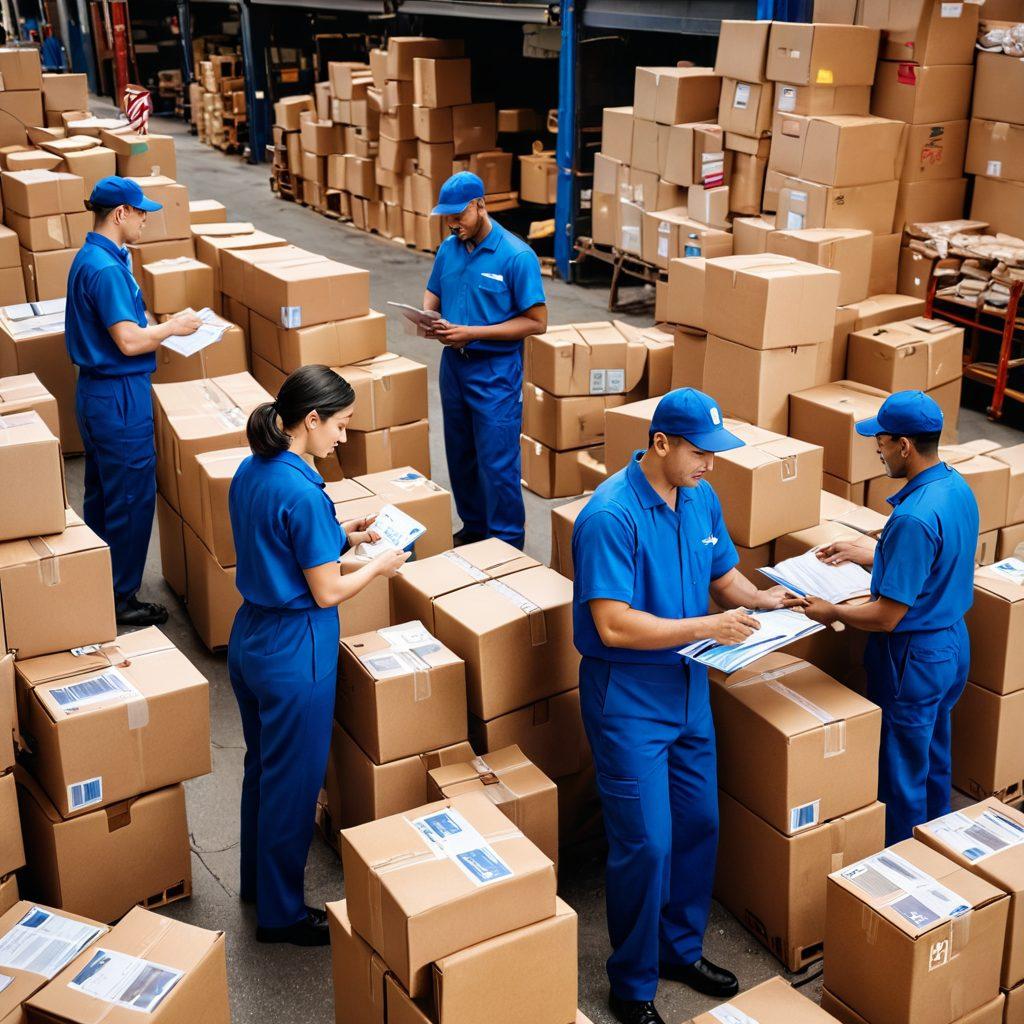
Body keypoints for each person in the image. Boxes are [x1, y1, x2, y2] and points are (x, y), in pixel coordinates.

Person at [572, 389, 803, 1024]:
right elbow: (614, 625)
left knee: (698, 824)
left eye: (716, 454)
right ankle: (633, 983)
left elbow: (722, 574)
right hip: (629, 697)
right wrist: (709, 628)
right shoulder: (610, 516)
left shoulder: (700, 495)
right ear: (661, 444)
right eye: (701, 453)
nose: (711, 465)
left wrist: (766, 600)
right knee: (646, 844)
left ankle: (678, 950)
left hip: (689, 686)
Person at [228, 365, 409, 946]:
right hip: (295, 650)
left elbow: (281, 546)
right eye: (342, 425)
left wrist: (345, 536)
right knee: (295, 785)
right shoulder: (302, 491)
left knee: (263, 770)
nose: (344, 438)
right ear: (311, 419)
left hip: (251, 637)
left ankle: (258, 885)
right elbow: (326, 590)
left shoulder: (253, 470)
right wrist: (380, 564)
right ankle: (280, 916)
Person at [803, 390, 978, 846]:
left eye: (879, 441)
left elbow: (886, 616)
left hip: (913, 657)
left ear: (903, 445)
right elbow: (936, 559)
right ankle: (939, 847)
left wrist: (830, 611)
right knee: (933, 756)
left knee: (901, 773)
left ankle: (905, 868)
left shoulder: (912, 519)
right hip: (952, 644)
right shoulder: (954, 487)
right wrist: (872, 552)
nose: (876, 450)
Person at [65, 176, 202, 628]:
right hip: (118, 396)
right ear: (120, 214)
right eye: (140, 212)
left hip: (99, 393)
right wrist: (173, 328)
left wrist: (156, 326)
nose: (146, 219)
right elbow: (127, 340)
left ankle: (99, 579)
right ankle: (122, 596)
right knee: (130, 498)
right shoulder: (104, 269)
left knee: (104, 494)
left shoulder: (102, 257)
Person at [423, 171, 547, 550]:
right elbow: (433, 293)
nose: (452, 223)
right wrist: (428, 317)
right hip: (454, 368)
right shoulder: (449, 248)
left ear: (480, 205)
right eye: (447, 216)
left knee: (496, 463)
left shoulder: (516, 256)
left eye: (459, 214)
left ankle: (507, 542)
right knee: (460, 455)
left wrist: (472, 332)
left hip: (494, 372)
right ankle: (475, 527)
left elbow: (537, 322)